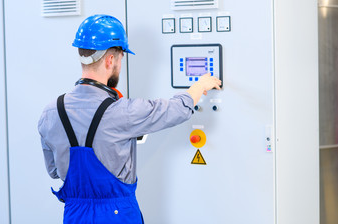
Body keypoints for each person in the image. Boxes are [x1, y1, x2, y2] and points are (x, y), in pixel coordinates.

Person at [38, 14, 221, 224]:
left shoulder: (50, 112)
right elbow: (176, 109)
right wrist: (199, 86)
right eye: (121, 59)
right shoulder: (122, 111)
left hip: (75, 215)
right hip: (116, 215)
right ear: (110, 59)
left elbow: (54, 171)